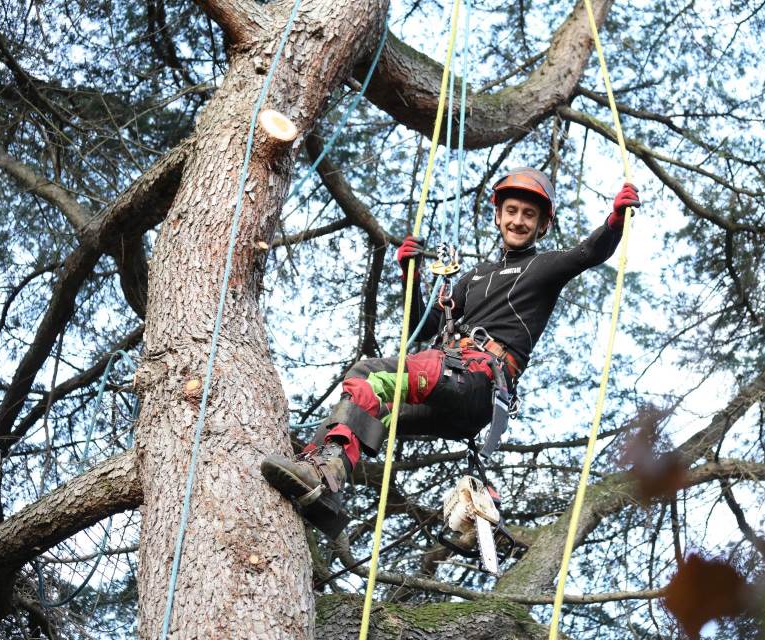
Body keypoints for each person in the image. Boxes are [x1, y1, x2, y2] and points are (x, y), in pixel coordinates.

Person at [260, 168, 640, 537]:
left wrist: (615, 222)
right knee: (377, 413)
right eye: (511, 211)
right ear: (497, 215)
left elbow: (587, 253)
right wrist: (411, 278)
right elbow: (425, 328)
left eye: (529, 215)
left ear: (542, 225)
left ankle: (321, 474)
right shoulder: (473, 278)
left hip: (476, 378)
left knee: (367, 374)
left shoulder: (545, 266)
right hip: (453, 393)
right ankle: (322, 483)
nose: (519, 221)